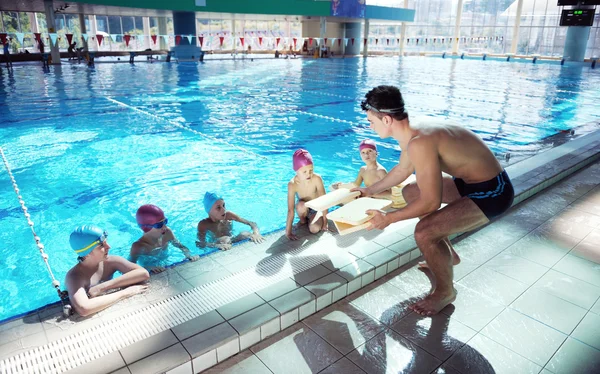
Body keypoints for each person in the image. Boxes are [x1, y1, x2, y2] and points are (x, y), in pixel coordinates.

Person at [354, 85, 514, 316]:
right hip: (471, 183)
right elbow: (402, 170)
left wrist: (388, 219)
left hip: (494, 192)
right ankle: (448, 254)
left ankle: (445, 292)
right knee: (411, 191)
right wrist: (369, 190)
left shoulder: (419, 142)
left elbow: (431, 203)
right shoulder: (412, 131)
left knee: (424, 232)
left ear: (386, 119)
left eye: (371, 121)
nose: (370, 126)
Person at [65, 225, 150, 317]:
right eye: (102, 245)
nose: (108, 246)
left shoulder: (110, 261)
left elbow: (143, 273)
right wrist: (125, 293)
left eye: (106, 242)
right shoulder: (75, 277)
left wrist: (102, 287)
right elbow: (84, 308)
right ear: (87, 253)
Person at [130, 204, 199, 273]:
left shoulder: (167, 233)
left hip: (165, 265)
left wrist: (189, 255)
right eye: (159, 225)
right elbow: (129, 267)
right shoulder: (138, 247)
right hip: (151, 273)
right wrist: (148, 268)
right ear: (146, 228)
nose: (164, 227)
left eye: (165, 222)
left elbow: (181, 247)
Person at [286, 149, 329, 240]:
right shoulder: (292, 184)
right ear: (296, 170)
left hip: (316, 209)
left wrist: (325, 223)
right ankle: (303, 221)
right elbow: (290, 210)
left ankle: (313, 220)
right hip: (303, 208)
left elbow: (325, 201)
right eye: (304, 172)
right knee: (301, 205)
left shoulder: (317, 179)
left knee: (314, 229)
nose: (308, 174)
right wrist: (288, 232)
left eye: (311, 170)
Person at [197, 192, 265, 250]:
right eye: (218, 208)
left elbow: (252, 223)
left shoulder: (228, 215)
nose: (224, 210)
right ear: (209, 211)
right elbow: (201, 243)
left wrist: (256, 233)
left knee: (245, 234)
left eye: (223, 205)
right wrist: (217, 245)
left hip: (232, 240)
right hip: (218, 245)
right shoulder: (204, 224)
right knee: (225, 239)